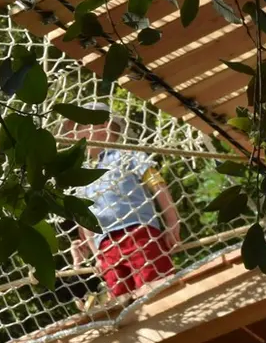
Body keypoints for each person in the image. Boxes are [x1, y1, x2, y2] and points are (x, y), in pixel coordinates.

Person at [65, 106, 183, 299]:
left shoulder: (127, 154)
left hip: (139, 234)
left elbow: (157, 184)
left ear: (103, 124)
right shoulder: (84, 175)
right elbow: (85, 219)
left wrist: (172, 221)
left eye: (80, 126)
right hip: (106, 247)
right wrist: (96, 256)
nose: (75, 134)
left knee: (156, 289)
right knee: (120, 299)